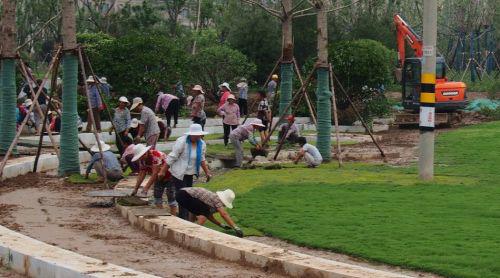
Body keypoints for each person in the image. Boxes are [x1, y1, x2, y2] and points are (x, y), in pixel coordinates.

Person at [165, 124, 212, 219]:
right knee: (183, 195)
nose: (197, 137)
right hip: (179, 173)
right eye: (195, 135)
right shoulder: (182, 142)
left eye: (199, 135)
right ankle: (184, 217)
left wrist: (207, 172)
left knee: (189, 195)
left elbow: (202, 159)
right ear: (190, 135)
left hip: (190, 173)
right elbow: (172, 157)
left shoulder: (202, 144)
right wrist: (163, 170)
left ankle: (187, 216)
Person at [176, 187, 243, 237]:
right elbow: (224, 214)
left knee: (199, 212)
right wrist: (236, 228)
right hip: (185, 195)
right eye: (224, 204)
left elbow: (208, 215)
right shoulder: (217, 200)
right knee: (202, 216)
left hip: (180, 194)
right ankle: (192, 234)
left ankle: (190, 228)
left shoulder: (210, 200)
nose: (223, 206)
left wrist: (221, 225)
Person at [131, 144, 177, 214]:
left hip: (170, 175)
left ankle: (174, 216)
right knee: (157, 196)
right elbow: (142, 174)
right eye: (140, 156)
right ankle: (161, 215)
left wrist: (146, 188)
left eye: (143, 155)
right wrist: (136, 189)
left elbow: (155, 173)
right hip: (158, 178)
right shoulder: (142, 160)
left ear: (146, 151)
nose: (142, 157)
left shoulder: (155, 155)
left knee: (170, 195)